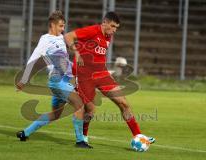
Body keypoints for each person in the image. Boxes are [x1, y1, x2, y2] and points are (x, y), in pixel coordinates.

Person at [64, 11, 155, 145]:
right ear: (104, 22)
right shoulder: (92, 31)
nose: (114, 30)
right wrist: (76, 52)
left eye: (116, 28)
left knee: (123, 103)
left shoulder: (108, 35)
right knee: (90, 109)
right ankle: (83, 136)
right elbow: (68, 36)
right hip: (85, 75)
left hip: (102, 74)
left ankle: (139, 136)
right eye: (112, 26)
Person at [15, 10, 92, 148]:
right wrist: (24, 79)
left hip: (66, 81)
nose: (63, 29)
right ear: (52, 25)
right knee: (79, 104)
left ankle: (25, 133)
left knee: (55, 114)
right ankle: (80, 141)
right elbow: (33, 60)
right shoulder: (45, 40)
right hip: (57, 81)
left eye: (64, 26)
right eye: (61, 26)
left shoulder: (62, 38)